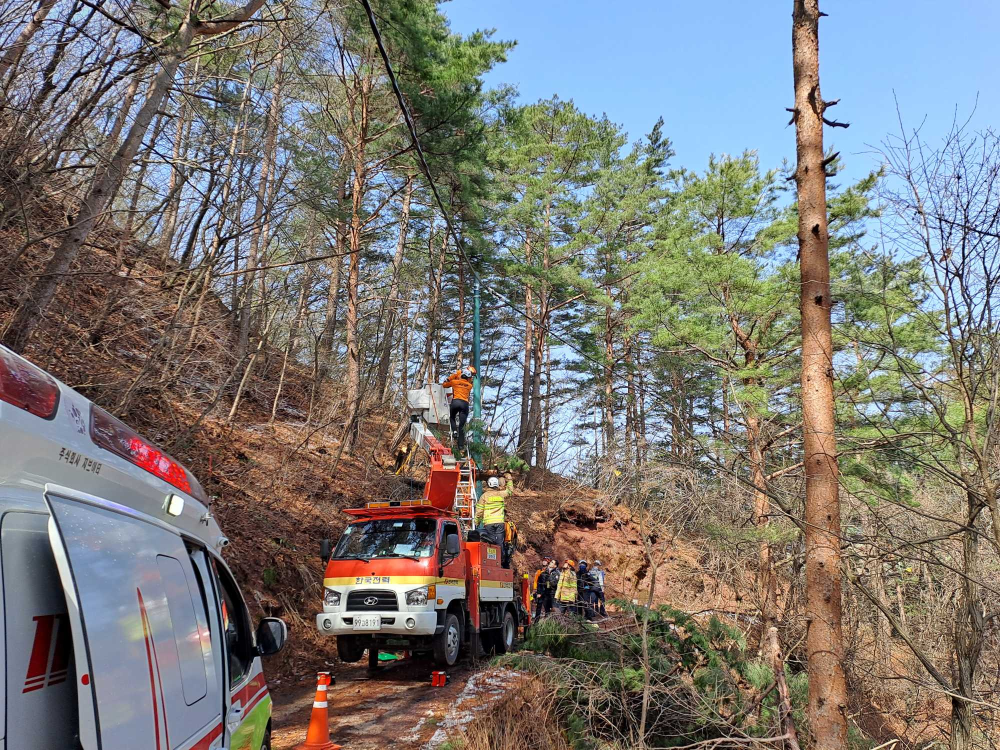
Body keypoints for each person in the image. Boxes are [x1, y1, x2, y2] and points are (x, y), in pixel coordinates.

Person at [442, 366, 475, 453]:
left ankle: (454, 431)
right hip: (464, 404)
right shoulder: (469, 385)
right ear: (468, 378)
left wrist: (450, 378)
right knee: (462, 425)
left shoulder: (454, 382)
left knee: (452, 417)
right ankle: (461, 446)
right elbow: (468, 381)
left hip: (455, 402)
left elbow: (444, 385)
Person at [476, 475, 511, 550]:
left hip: (488, 524)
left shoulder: (484, 496)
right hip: (500, 523)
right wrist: (509, 479)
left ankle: (493, 559)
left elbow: (479, 512)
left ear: (488, 484)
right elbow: (510, 491)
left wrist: (477, 522)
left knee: (491, 543)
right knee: (499, 543)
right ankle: (501, 559)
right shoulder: (501, 494)